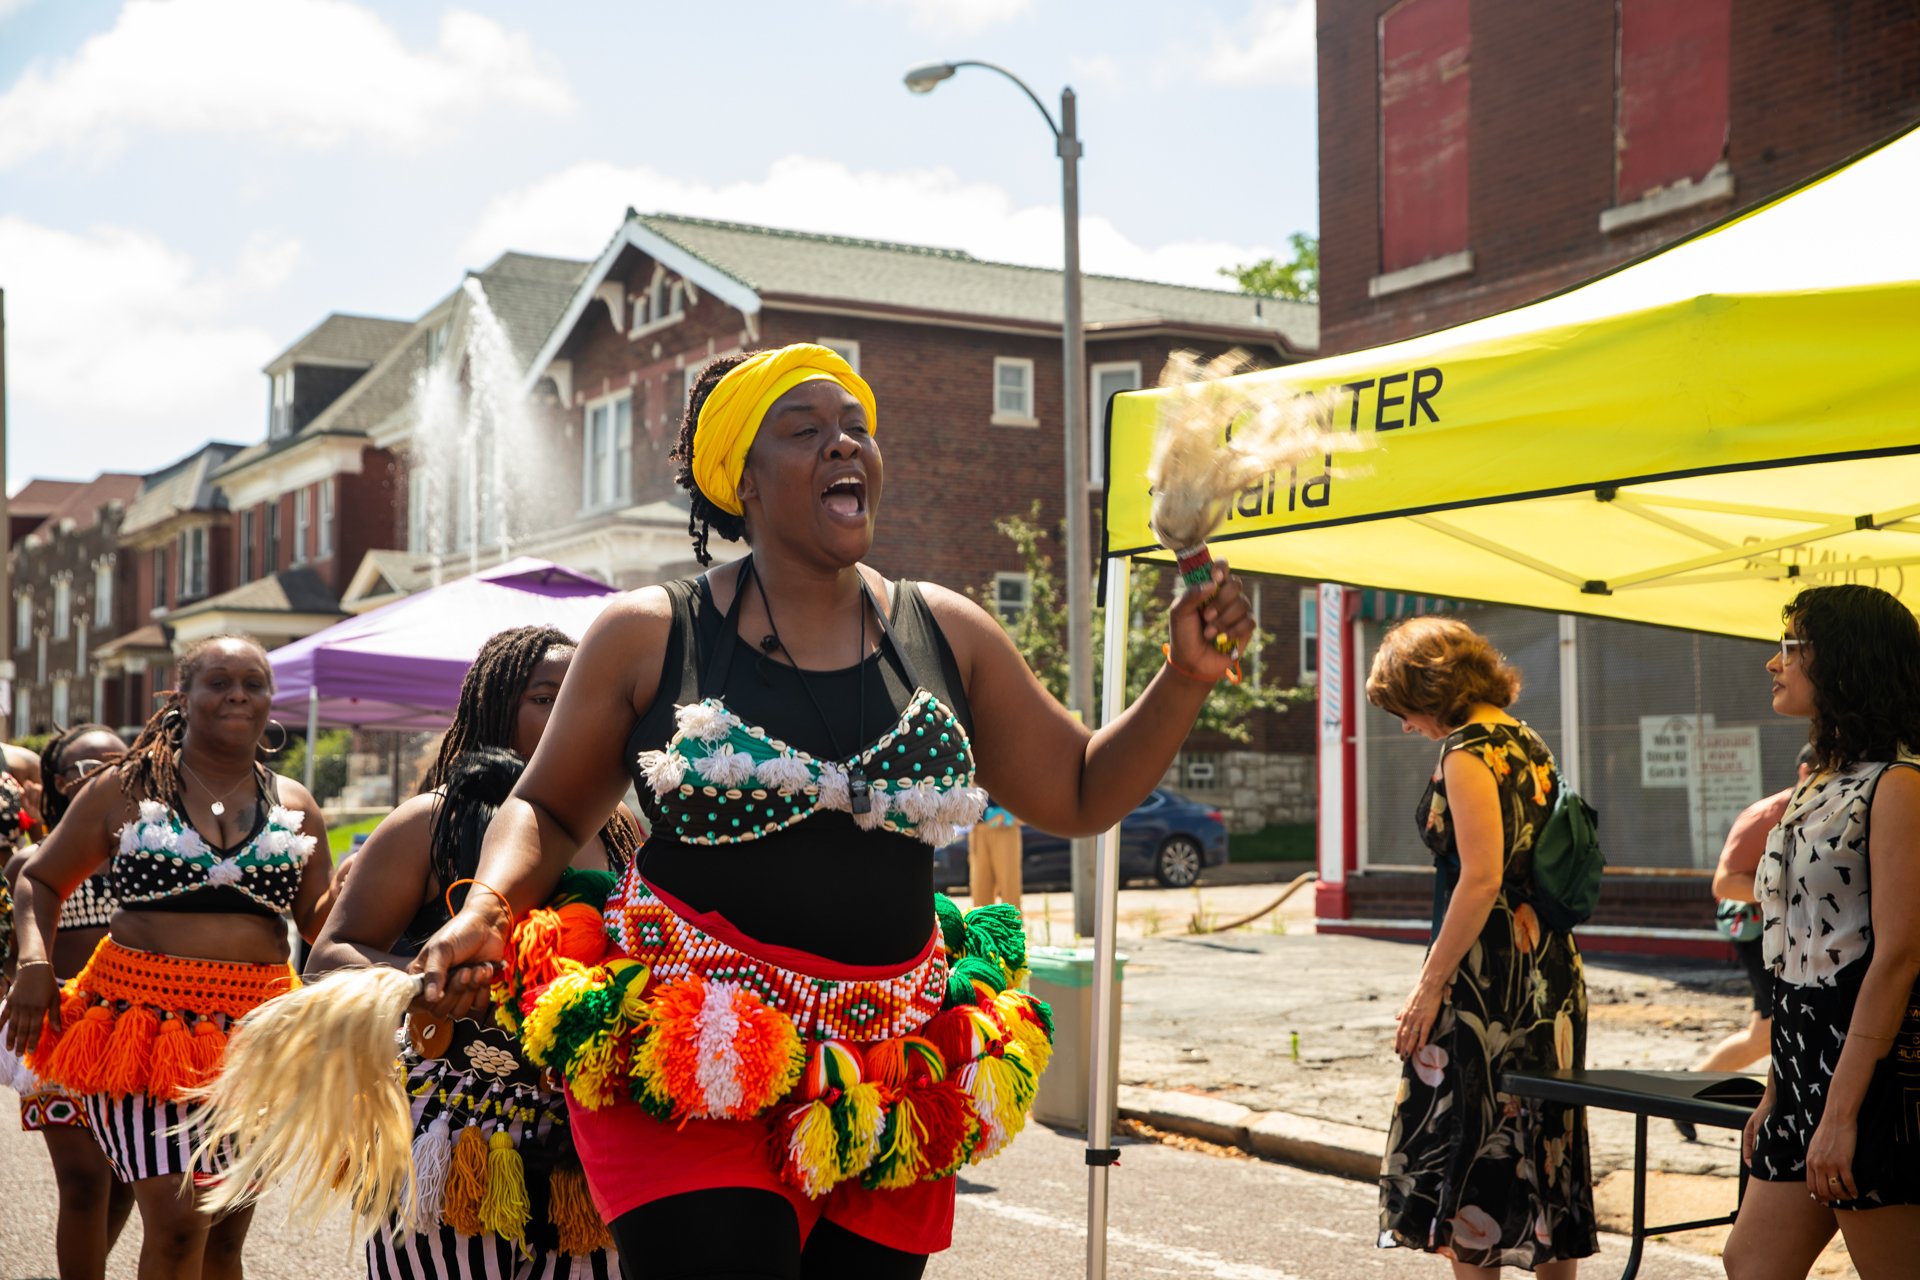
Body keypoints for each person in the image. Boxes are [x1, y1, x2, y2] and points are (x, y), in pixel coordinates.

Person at [406, 343, 1253, 1278]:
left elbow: (1083, 790)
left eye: (856, 429)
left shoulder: (947, 631)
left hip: (888, 1065)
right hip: (695, 1054)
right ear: (747, 483)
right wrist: (485, 909)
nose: (845, 446)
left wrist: (1182, 678)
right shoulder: (650, 633)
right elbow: (548, 810)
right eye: (806, 432)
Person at [308, 625, 637, 1280]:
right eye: (548, 696)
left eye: (584, 694)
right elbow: (328, 958)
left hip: (588, 1133)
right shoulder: (428, 823)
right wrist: (420, 982)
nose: (573, 711)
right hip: (451, 1123)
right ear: (496, 707)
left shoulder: (627, 834)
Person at [1, 636, 332, 1280]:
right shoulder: (123, 789)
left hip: (255, 1041)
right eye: (218, 681)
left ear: (270, 700)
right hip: (142, 1035)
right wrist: (36, 966)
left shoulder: (296, 803)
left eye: (253, 683)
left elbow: (322, 923)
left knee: (223, 1242)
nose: (237, 693)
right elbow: (39, 881)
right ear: (182, 696)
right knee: (181, 1224)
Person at [1367, 616, 1596, 1275]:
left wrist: (1428, 984)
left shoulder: (1467, 750)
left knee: (1469, 1149)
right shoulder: (1525, 739)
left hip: (1485, 979)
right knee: (1545, 1148)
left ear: (1427, 687)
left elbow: (1482, 878)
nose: (1405, 725)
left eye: (1403, 707)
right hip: (1550, 972)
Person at [1722, 585, 1920, 1280]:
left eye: (1791, 647)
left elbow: (1897, 956)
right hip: (1805, 1059)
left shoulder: (1900, 782)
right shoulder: (1822, 781)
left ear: (1844, 660)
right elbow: (1793, 949)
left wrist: (1839, 1111)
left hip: (1873, 1068)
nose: (1774, 664)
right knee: (1750, 1264)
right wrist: (1779, 1086)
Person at [1, 725, 137, 1280]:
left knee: (128, 1177)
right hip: (64, 1029)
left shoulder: (157, 855)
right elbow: (17, 957)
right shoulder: (33, 863)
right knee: (83, 1181)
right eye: (88, 767)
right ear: (61, 782)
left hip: (141, 1031)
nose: (106, 774)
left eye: (118, 762)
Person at [1672, 744, 1817, 1142]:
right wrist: (1786, 893)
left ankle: (1689, 1092)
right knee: (1770, 1028)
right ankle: (1690, 1095)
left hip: (1790, 933)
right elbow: (1723, 884)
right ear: (1805, 771)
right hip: (1756, 931)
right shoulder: (1766, 813)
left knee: (1762, 1034)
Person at [967, 797, 1022, 907]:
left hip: (1005, 825)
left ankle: (1012, 923)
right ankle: (982, 924)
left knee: (1009, 886)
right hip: (979, 826)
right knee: (980, 889)